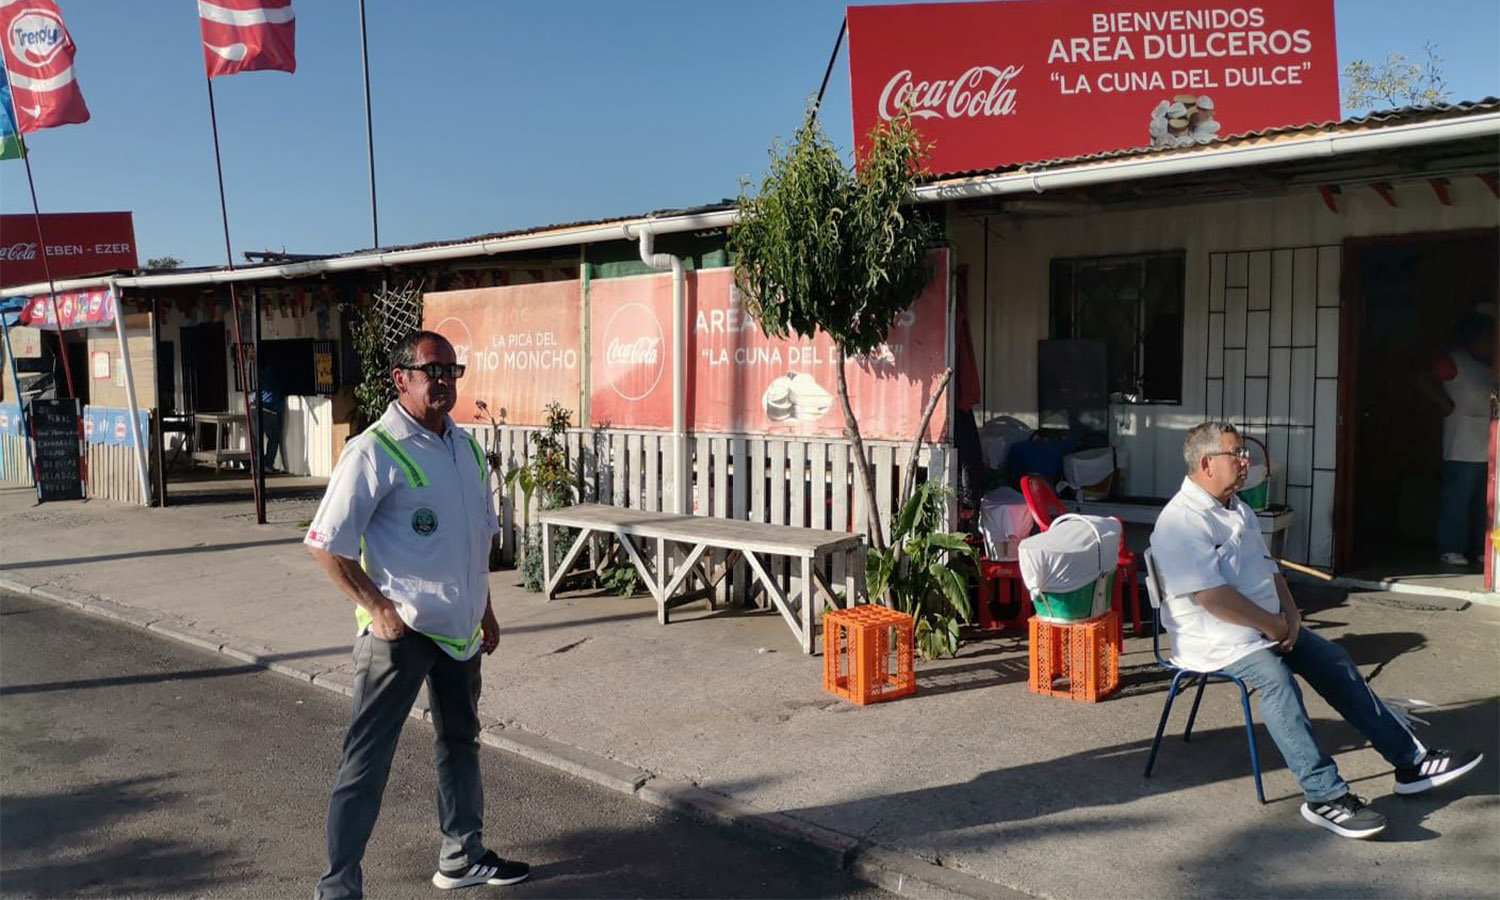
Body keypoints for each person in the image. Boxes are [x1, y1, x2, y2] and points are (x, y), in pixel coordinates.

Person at [1149, 422, 1481, 839]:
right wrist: (1272, 624)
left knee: (1335, 663)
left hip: (1267, 627)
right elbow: (1212, 598)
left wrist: (1291, 615)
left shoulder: (1239, 508)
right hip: (1218, 638)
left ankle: (1411, 762)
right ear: (1206, 463)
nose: (1245, 462)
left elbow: (1270, 570)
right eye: (1236, 454)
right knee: (1277, 683)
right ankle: (1325, 796)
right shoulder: (1180, 521)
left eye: (1243, 454)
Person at [306, 331, 527, 897]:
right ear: (400, 379)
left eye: (453, 370)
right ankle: (338, 888)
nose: (445, 381)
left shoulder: (467, 448)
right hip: (399, 633)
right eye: (433, 370)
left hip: (459, 632)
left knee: (461, 744)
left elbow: (474, 539)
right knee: (367, 761)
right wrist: (376, 607)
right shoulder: (374, 450)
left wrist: (486, 610)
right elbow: (326, 543)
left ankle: (462, 856)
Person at [1423, 308, 1497, 567]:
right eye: (1488, 337)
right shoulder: (1455, 361)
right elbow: (1422, 378)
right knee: (1458, 499)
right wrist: (1444, 403)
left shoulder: (1490, 366)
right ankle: (1451, 548)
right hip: (1461, 444)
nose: (1491, 342)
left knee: (1483, 502)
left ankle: (1480, 548)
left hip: (1487, 444)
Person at [257, 359, 285, 474]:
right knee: (273, 438)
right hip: (269, 408)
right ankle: (267, 464)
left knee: (257, 440)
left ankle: (257, 465)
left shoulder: (261, 374)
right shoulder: (275, 374)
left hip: (256, 406)